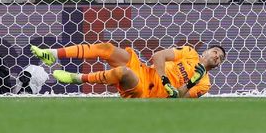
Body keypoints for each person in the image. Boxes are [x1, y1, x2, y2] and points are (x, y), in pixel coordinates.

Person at [30, 42, 226, 98]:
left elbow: (178, 99)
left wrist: (192, 80)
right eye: (216, 51)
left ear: (217, 65)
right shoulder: (189, 52)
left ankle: (77, 78)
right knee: (107, 48)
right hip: (146, 71)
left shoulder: (204, 84)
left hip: (146, 91)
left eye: (220, 58)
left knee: (124, 72)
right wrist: (166, 81)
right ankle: (53, 54)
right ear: (207, 50)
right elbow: (158, 56)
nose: (217, 56)